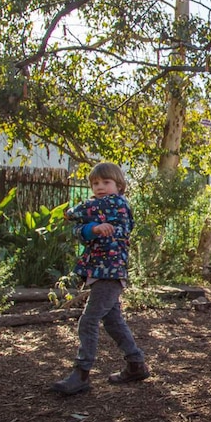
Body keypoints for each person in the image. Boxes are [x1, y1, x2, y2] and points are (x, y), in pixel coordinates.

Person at [52, 162, 150, 395]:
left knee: (88, 321)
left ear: (119, 186)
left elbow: (77, 215)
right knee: (113, 320)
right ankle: (136, 364)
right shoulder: (99, 210)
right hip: (100, 272)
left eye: (106, 183)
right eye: (95, 183)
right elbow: (79, 231)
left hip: (110, 273)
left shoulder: (116, 204)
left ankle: (81, 373)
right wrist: (92, 229)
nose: (100, 187)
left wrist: (74, 216)